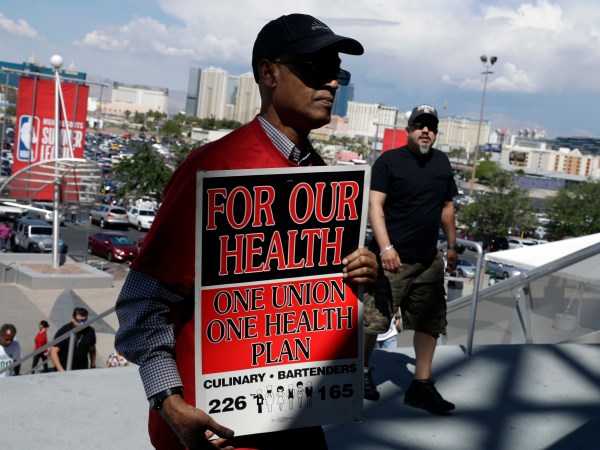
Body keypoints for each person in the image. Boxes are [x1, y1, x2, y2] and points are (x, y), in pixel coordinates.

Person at [115, 13, 376, 450]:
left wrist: (361, 273)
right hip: (214, 431)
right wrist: (169, 402)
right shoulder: (214, 170)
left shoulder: (325, 180)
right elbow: (143, 303)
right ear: (268, 73)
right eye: (316, 69)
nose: (332, 84)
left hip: (297, 419)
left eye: (338, 73)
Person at [363, 104, 458, 414]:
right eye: (419, 125)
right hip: (394, 259)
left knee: (430, 323)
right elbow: (374, 206)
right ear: (408, 130)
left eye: (430, 126)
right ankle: (362, 372)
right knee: (375, 322)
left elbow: (447, 207)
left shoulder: (442, 163)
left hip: (428, 258)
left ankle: (421, 385)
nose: (425, 130)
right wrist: (386, 248)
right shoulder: (389, 162)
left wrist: (453, 246)